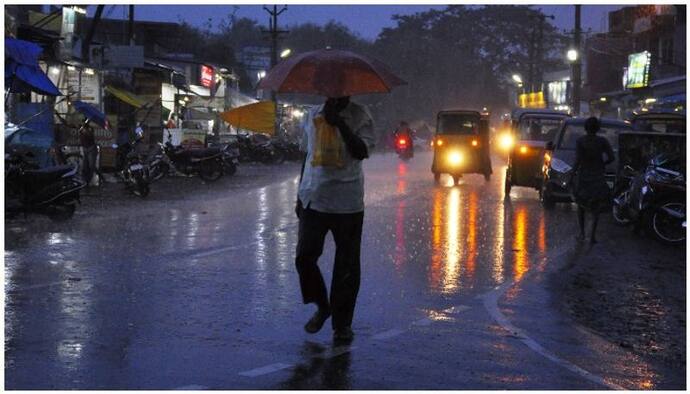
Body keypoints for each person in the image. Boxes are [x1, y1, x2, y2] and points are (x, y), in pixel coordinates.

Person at [295, 96, 375, 342]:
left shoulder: (361, 115)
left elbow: (362, 151)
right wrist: (300, 195)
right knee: (304, 257)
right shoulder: (312, 114)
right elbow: (307, 156)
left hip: (347, 202)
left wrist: (340, 124)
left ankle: (342, 325)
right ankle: (322, 305)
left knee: (347, 266)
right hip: (314, 198)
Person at [572, 117, 615, 244]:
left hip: (583, 176)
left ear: (586, 127)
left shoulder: (580, 141)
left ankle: (582, 233)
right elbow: (612, 158)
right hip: (597, 175)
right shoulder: (602, 141)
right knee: (595, 206)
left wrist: (571, 175)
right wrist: (602, 163)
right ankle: (592, 236)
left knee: (581, 204)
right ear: (598, 128)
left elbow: (577, 161)